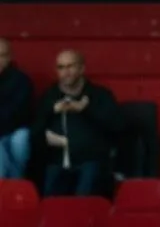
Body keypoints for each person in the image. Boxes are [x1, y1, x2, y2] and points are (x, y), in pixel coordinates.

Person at [34, 49, 123, 197]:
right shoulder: (49, 97)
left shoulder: (99, 95)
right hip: (57, 162)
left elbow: (118, 125)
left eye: (70, 66)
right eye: (61, 67)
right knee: (50, 205)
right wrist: (50, 117)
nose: (66, 72)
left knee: (84, 199)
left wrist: (86, 109)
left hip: (91, 160)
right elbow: (35, 131)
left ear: (82, 68)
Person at [0, 38, 33, 179]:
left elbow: (18, 113)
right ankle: (14, 187)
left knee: (20, 140)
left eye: (2, 55)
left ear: (9, 57)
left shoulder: (21, 80)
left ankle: (16, 184)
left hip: (15, 130)